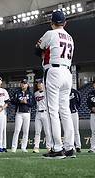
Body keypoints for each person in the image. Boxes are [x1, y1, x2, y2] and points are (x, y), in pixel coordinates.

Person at [34, 10, 76, 159]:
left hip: (53, 72)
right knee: (65, 110)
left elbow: (36, 50)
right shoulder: (70, 37)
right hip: (67, 73)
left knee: (52, 110)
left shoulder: (50, 33)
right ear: (65, 23)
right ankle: (70, 147)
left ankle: (57, 148)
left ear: (51, 22)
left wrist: (44, 52)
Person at [11, 79, 34, 152]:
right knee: (17, 130)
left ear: (27, 85)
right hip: (19, 113)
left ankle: (24, 147)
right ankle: (14, 147)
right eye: (22, 83)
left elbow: (33, 104)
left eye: (25, 83)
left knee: (26, 131)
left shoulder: (30, 94)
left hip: (27, 113)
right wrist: (20, 101)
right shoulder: (17, 93)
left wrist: (26, 102)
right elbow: (12, 101)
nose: (23, 85)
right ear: (20, 84)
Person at [32, 80, 52, 153]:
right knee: (37, 131)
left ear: (43, 84)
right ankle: (36, 147)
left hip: (45, 112)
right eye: (38, 84)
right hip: (38, 113)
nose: (39, 85)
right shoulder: (35, 93)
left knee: (47, 131)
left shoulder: (47, 93)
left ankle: (49, 147)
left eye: (41, 83)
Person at [68, 86, 82, 152]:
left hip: (74, 113)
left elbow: (79, 101)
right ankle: (71, 146)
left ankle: (78, 146)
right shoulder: (63, 92)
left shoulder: (75, 92)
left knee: (76, 130)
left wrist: (75, 108)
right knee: (69, 131)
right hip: (67, 114)